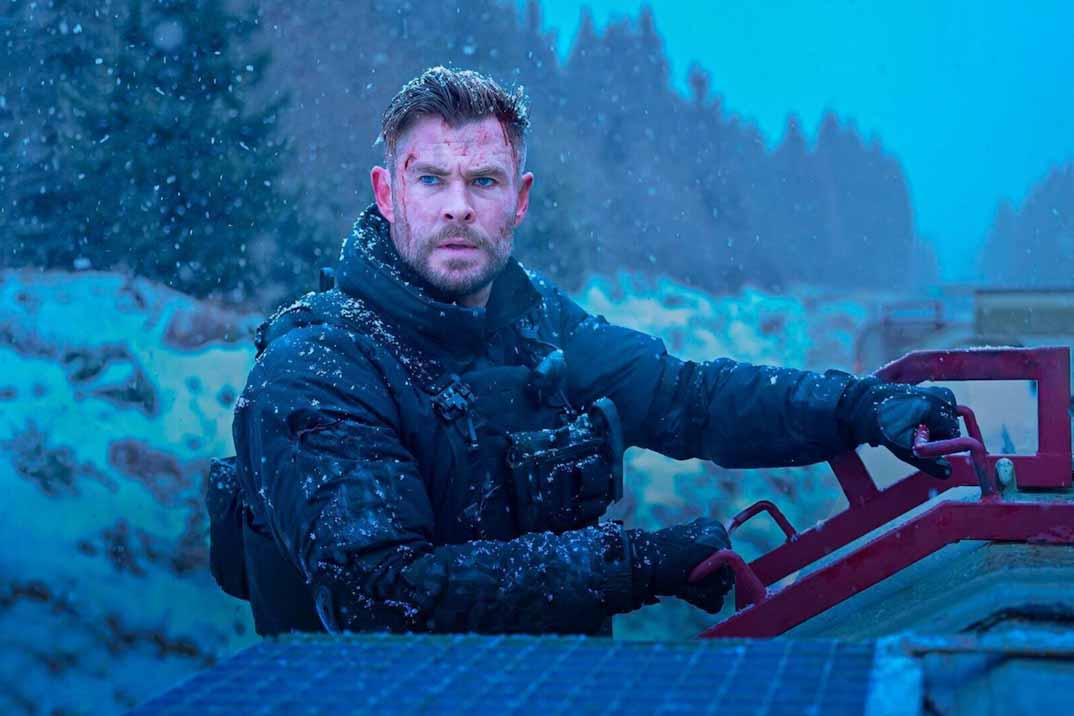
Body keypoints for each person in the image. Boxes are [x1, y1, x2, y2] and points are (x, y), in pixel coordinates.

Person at [222, 66, 959, 637]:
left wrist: (859, 407)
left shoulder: (533, 321)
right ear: (388, 195)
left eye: (483, 181)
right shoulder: (318, 366)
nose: (458, 206)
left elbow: (689, 399)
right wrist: (635, 564)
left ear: (519, 200)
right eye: (431, 179)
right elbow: (383, 594)